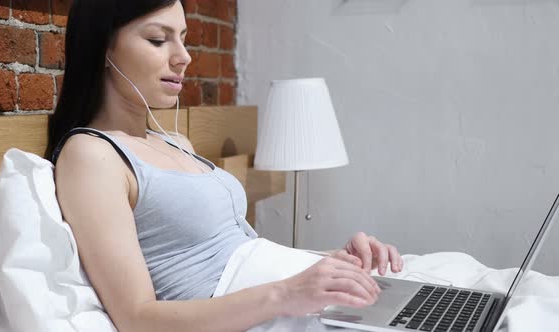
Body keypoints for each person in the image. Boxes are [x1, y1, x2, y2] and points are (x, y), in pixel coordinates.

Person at [45, 0, 404, 331]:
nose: (183, 57)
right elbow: (137, 318)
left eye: (183, 39)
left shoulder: (175, 142)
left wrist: (334, 261)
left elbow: (238, 249)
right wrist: (286, 294)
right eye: (158, 40)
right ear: (103, 48)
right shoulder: (91, 154)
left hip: (286, 301)